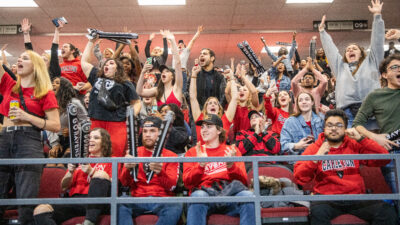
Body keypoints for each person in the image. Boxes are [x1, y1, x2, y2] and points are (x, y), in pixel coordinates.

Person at [294, 109, 397, 225]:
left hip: (356, 198)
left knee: (386, 211)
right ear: (324, 128)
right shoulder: (315, 148)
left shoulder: (354, 144)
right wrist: (317, 157)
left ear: (345, 129)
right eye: (329, 125)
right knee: (318, 214)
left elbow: (384, 158)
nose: (334, 128)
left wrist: (361, 139)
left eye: (339, 125)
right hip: (327, 199)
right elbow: (299, 177)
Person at [0, 51, 60, 225]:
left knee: (26, 198)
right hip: (4, 138)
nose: (19, 59)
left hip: (29, 140)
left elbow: (55, 125)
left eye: (25, 58)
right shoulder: (8, 85)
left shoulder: (44, 92)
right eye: (19, 57)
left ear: (36, 66)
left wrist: (27, 116)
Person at [318, 0, 385, 127]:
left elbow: (377, 41)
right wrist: (322, 32)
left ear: (362, 53)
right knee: (350, 145)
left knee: (370, 144)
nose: (350, 50)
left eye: (354, 48)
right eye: (348, 49)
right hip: (346, 113)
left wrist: (377, 16)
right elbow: (331, 51)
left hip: (371, 112)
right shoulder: (340, 67)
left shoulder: (372, 62)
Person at [183, 114, 255, 225]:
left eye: (209, 126)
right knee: (198, 197)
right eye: (202, 127)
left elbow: (243, 181)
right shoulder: (192, 152)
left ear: (219, 131)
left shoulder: (231, 151)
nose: (204, 130)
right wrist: (200, 166)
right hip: (205, 194)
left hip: (229, 193)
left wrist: (231, 166)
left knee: (248, 196)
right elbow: (187, 183)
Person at [33, 128, 113, 225]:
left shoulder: (112, 160)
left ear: (104, 142)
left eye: (96, 138)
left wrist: (91, 171)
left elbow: (114, 184)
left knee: (100, 174)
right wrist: (70, 172)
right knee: (41, 210)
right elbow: (64, 187)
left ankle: (89, 222)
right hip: (76, 201)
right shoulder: (79, 161)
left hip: (98, 202)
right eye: (89, 138)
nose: (91, 140)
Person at [81, 36, 140, 157]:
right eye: (105, 64)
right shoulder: (96, 77)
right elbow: (84, 62)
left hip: (117, 123)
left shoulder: (125, 83)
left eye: (111, 62)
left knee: (115, 154)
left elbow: (137, 102)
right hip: (96, 120)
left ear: (118, 69)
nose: (107, 64)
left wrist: (131, 115)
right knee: (94, 154)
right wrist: (91, 41)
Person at [118, 116, 183, 225]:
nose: (148, 135)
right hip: (137, 198)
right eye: (145, 131)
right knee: (120, 203)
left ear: (160, 134)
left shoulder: (171, 156)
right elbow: (125, 183)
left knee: (176, 205)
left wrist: (160, 172)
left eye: (152, 131)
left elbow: (172, 187)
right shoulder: (134, 153)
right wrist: (127, 169)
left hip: (162, 199)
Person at [353, 54, 400, 194]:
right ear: (385, 75)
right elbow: (357, 124)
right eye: (395, 67)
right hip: (393, 152)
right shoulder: (375, 96)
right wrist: (375, 137)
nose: (399, 70)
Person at [190, 61, 238, 144]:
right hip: (202, 155)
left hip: (220, 156)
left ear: (219, 109)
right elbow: (192, 97)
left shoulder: (225, 120)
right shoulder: (200, 118)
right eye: (210, 103)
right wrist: (193, 76)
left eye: (216, 103)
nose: (213, 104)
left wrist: (232, 78)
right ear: (205, 108)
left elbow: (234, 98)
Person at [137, 30, 183, 108]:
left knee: (155, 99)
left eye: (167, 71)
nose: (157, 50)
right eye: (155, 49)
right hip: (150, 77)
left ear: (172, 76)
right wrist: (150, 39)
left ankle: (153, 111)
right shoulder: (150, 58)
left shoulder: (163, 57)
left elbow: (177, 62)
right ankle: (153, 112)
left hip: (158, 78)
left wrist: (167, 39)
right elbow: (139, 92)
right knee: (153, 98)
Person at [48, 77, 88, 162]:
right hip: (57, 140)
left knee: (63, 162)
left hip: (74, 141)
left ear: (64, 87)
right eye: (53, 83)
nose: (53, 84)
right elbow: (49, 126)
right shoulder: (51, 104)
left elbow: (86, 124)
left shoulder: (74, 102)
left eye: (57, 83)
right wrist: (55, 144)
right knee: (50, 163)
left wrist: (73, 130)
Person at [280, 92, 324, 158]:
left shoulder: (322, 118)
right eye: (300, 100)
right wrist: (297, 146)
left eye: (307, 99)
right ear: (297, 104)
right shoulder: (290, 122)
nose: (304, 102)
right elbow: (283, 146)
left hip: (321, 159)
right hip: (300, 160)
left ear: (312, 102)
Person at [174, 25, 204, 92]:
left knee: (183, 92)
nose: (180, 45)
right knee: (174, 91)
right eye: (179, 44)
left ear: (184, 46)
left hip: (182, 72)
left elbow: (192, 41)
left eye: (182, 44)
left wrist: (198, 32)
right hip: (175, 73)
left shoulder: (186, 51)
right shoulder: (175, 52)